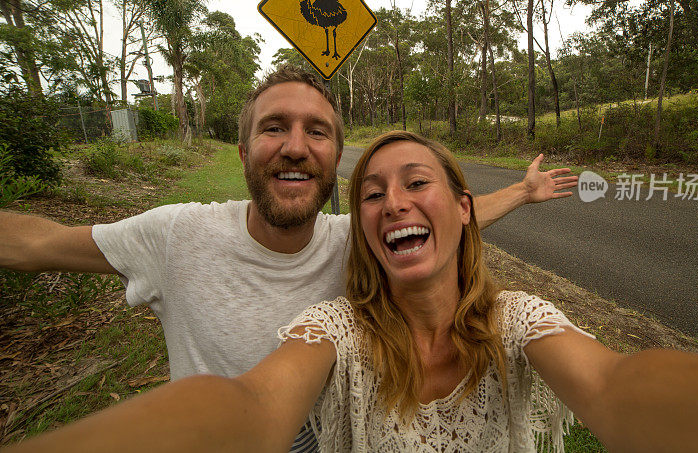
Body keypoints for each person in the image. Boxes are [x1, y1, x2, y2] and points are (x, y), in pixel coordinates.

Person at [6, 130, 698, 453]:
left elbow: (620, 385)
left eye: (414, 183)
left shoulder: (518, 319)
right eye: (373, 193)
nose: (391, 202)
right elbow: (249, 406)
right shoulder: (332, 329)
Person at [0, 66, 578, 451]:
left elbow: (437, 218)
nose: (296, 146)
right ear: (245, 148)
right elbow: (34, 244)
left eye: (317, 132)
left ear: (334, 156)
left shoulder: (360, 238)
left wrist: (523, 193)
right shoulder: (174, 235)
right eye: (274, 127)